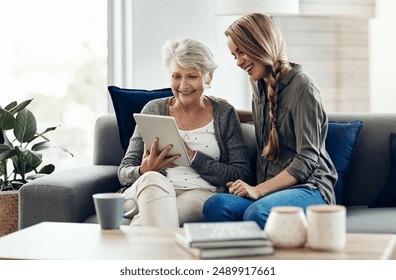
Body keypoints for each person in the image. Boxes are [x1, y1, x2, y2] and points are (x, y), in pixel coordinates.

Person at [203, 13, 338, 229]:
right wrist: (219, 110)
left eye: (242, 52)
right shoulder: (258, 82)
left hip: (309, 188)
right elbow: (268, 118)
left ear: (260, 44)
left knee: (258, 212)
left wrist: (258, 190)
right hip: (270, 189)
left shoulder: (303, 87)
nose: (238, 62)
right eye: (233, 55)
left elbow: (307, 159)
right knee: (216, 205)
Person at [118, 38, 252, 227]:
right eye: (176, 76)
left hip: (199, 192)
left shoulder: (224, 112)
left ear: (209, 77)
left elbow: (242, 173)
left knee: (152, 218)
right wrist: (144, 170)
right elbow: (124, 171)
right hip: (149, 187)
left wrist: (194, 157)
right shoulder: (153, 109)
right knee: (153, 181)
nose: (183, 85)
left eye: (192, 76)